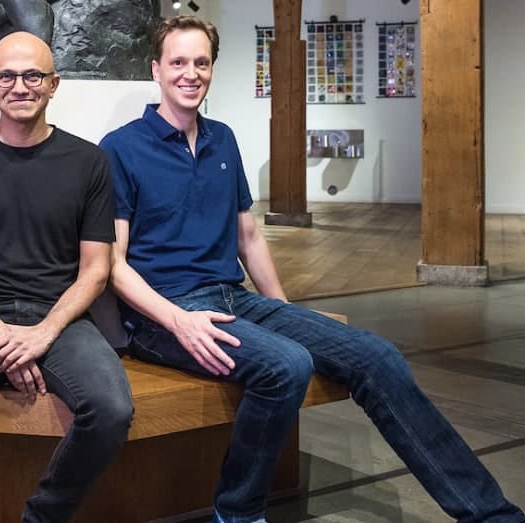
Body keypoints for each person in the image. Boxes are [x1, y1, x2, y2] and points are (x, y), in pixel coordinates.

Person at [99, 15, 525, 523]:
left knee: (376, 355)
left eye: (201, 62)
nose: (190, 73)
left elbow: (248, 235)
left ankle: (490, 513)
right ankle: (236, 513)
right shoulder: (121, 148)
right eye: (178, 62)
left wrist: (281, 308)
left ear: (211, 68)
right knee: (287, 366)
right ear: (156, 69)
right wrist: (176, 320)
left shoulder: (223, 139)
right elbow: (112, 265)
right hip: (164, 313)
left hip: (233, 298)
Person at [0, 31, 133, 523]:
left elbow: (96, 269)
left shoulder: (89, 162)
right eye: (7, 76)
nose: (20, 86)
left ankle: (42, 516)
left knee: (112, 407)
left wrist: (43, 334)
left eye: (33, 75)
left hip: (59, 318)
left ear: (53, 84)